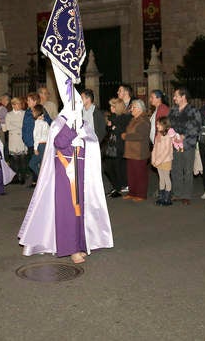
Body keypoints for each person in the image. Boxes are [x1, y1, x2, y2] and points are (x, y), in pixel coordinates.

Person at [18, 59, 113, 264]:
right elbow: (59, 142)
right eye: (76, 105)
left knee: (80, 208)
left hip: (80, 171)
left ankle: (80, 244)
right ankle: (70, 249)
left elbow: (92, 141)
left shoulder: (81, 121)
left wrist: (83, 137)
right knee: (68, 209)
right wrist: (73, 131)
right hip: (64, 171)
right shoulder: (61, 122)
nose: (78, 107)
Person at [167, 88, 203, 205]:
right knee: (175, 169)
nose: (174, 98)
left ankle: (186, 195)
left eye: (176, 96)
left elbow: (197, 126)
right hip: (174, 144)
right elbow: (168, 124)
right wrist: (171, 134)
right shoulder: (173, 110)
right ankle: (177, 193)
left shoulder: (193, 111)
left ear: (183, 97)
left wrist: (184, 136)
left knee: (187, 170)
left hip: (188, 144)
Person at [122, 99, 151, 201]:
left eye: (133, 107)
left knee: (140, 174)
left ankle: (141, 195)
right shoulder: (134, 119)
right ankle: (132, 193)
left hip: (139, 152)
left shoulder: (144, 120)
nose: (131, 110)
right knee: (131, 174)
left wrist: (126, 136)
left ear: (139, 109)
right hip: (131, 152)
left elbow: (141, 136)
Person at [102, 98, 129, 197]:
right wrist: (111, 127)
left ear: (117, 107)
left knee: (117, 167)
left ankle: (119, 187)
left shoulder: (125, 117)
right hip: (112, 145)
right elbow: (109, 129)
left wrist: (113, 127)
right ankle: (116, 187)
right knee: (109, 166)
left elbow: (122, 132)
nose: (110, 108)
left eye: (112, 106)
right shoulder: (113, 116)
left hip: (120, 146)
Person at [4, 97, 28, 184]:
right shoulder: (9, 114)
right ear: (13, 105)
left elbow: (24, 125)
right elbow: (8, 127)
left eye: (20, 103)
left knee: (22, 159)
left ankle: (23, 177)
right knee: (14, 160)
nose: (20, 105)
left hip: (21, 138)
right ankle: (16, 177)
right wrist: (18, 125)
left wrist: (14, 124)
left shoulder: (24, 113)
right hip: (13, 139)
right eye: (17, 104)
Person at [151, 117, 174, 206]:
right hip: (158, 161)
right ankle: (161, 196)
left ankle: (167, 198)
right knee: (161, 178)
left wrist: (158, 161)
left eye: (158, 124)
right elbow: (155, 148)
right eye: (157, 124)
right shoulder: (158, 135)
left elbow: (166, 151)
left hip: (166, 161)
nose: (157, 126)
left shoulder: (168, 136)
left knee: (166, 178)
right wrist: (153, 159)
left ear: (164, 125)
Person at [28, 104, 49, 186]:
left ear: (37, 112)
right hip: (45, 145)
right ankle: (43, 178)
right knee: (37, 163)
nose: (32, 112)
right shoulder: (44, 122)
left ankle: (43, 179)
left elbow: (37, 136)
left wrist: (35, 148)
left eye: (33, 111)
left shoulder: (38, 123)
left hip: (40, 145)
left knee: (34, 164)